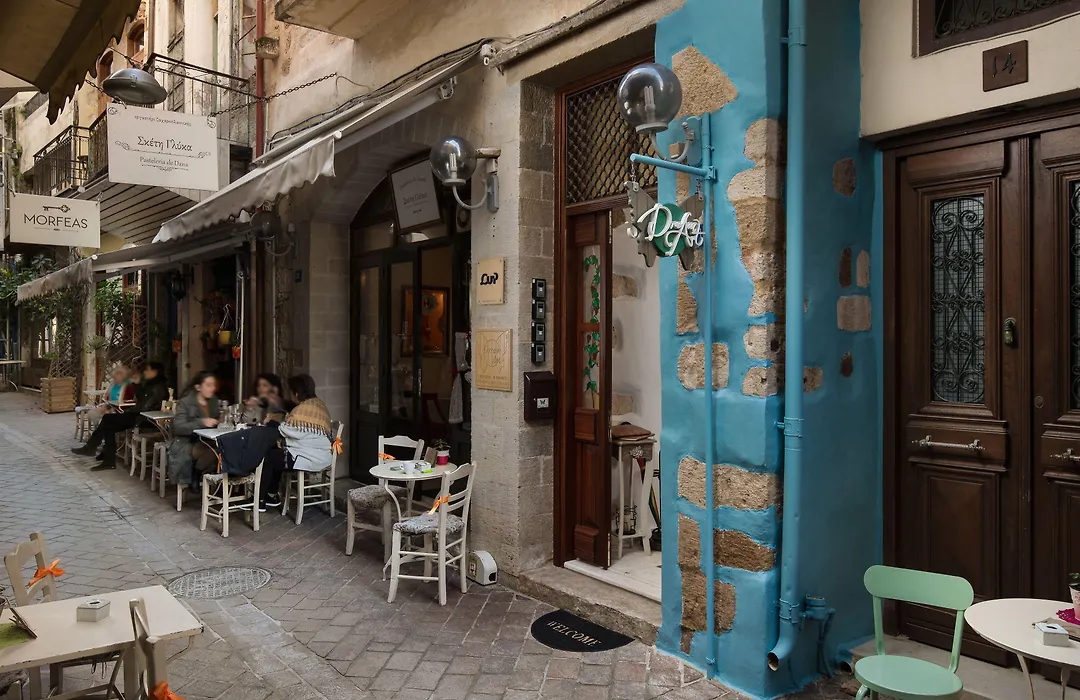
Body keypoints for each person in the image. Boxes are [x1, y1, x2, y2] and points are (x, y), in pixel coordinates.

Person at [71, 362, 169, 470]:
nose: (145, 372)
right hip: (140, 416)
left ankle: (96, 451)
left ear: (155, 372)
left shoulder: (158, 388)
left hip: (145, 420)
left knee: (108, 420)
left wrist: (128, 410)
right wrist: (137, 385)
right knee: (108, 423)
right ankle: (103, 455)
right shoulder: (151, 384)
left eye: (148, 370)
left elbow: (145, 407)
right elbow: (141, 401)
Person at [261, 373, 333, 509]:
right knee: (276, 454)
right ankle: (271, 495)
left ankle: (262, 499)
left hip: (309, 458)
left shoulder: (302, 409)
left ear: (296, 393)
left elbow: (287, 431)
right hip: (323, 455)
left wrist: (270, 422)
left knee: (269, 457)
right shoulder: (319, 404)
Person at [167, 371, 222, 490]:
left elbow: (216, 419)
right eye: (209, 385)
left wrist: (222, 420)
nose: (213, 388)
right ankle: (196, 473)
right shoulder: (185, 402)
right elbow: (178, 427)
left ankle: (204, 475)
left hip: (207, 440)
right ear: (198, 387)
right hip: (187, 442)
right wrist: (202, 422)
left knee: (226, 449)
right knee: (215, 451)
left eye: (213, 385)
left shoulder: (213, 400)